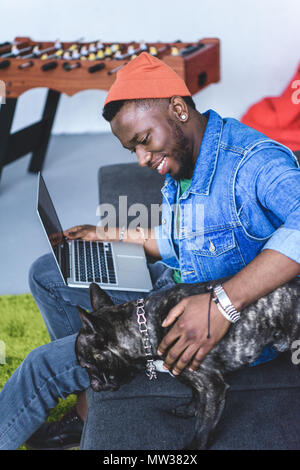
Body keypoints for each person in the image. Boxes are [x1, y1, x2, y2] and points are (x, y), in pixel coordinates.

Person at [1, 52, 300, 450]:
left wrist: (221, 304)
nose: (143, 159)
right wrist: (112, 234)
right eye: (133, 150)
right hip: (177, 287)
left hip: (218, 328)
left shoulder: (254, 164)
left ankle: (97, 369)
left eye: (144, 141)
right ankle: (99, 386)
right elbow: (188, 240)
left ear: (177, 108)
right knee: (48, 273)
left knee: (42, 366)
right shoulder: (188, 159)